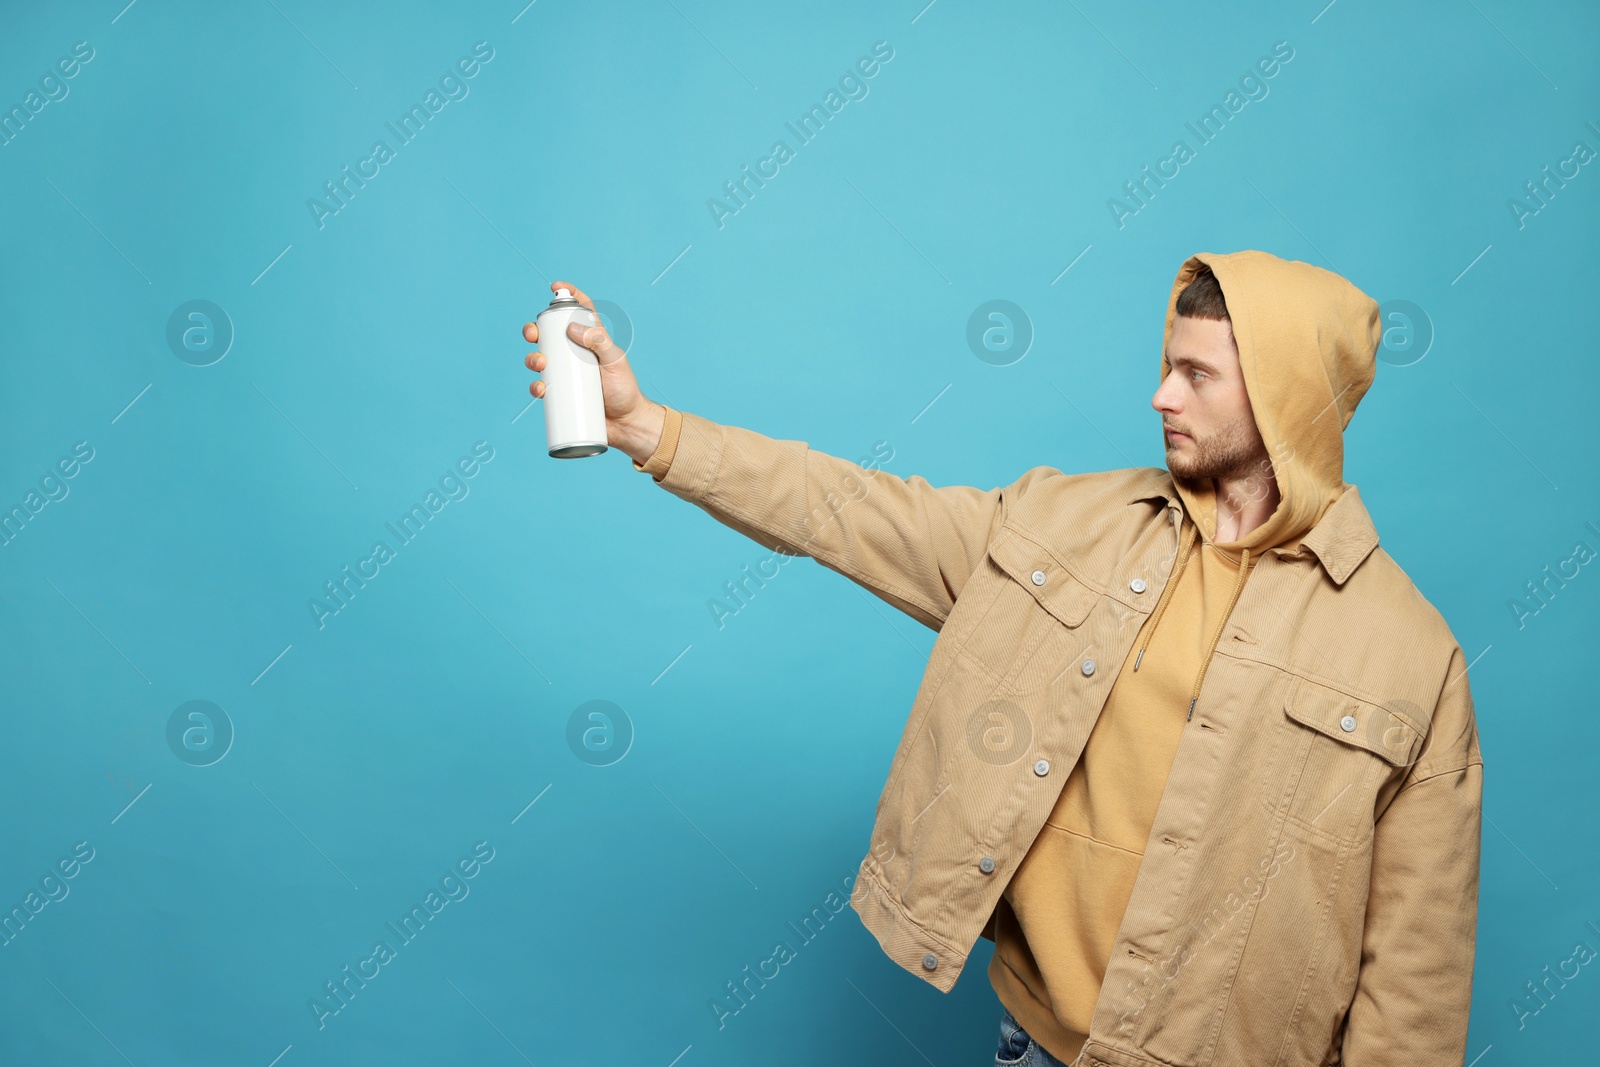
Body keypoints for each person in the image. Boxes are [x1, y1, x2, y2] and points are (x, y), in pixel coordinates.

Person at [520, 251, 1483, 1067]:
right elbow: (853, 512)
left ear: (1283, 396)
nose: (1160, 394)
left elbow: (1416, 975)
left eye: (1197, 375)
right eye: (1164, 364)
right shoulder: (1067, 523)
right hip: (1034, 1046)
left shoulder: (1410, 654)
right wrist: (646, 426)